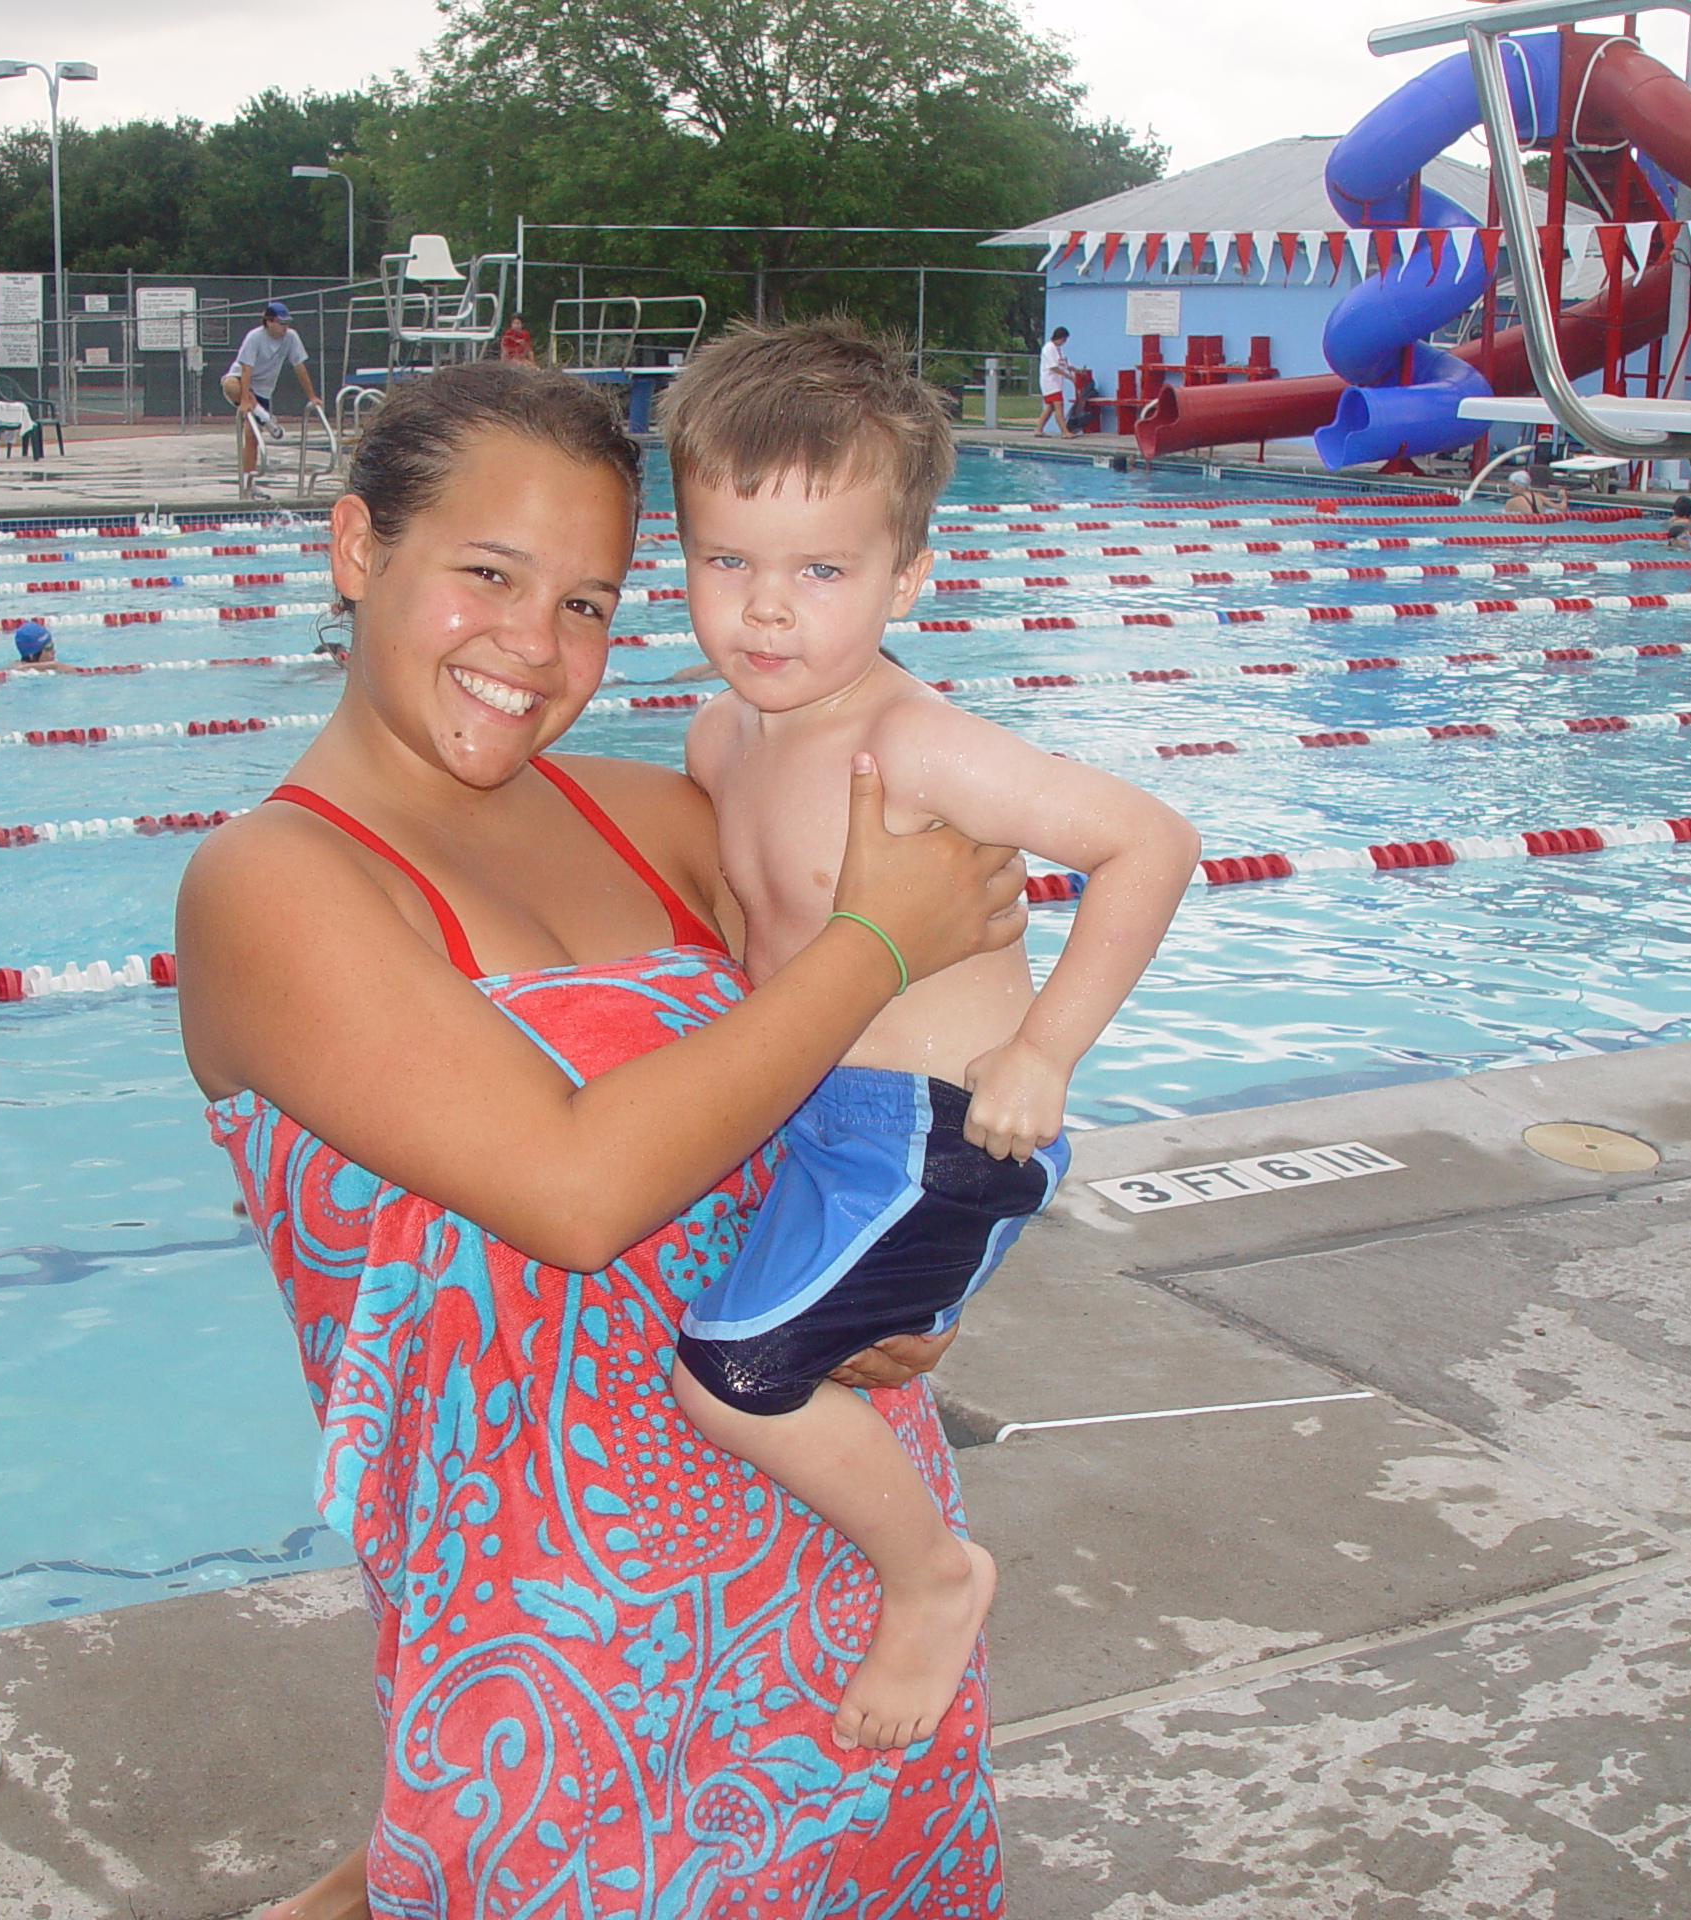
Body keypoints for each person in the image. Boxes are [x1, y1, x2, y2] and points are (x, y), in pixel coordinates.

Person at [175, 360, 1029, 1913]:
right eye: (486, 576)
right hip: (549, 1653)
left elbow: (916, 1029)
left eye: (587, 601)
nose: (534, 646)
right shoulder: (272, 885)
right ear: (360, 551)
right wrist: (870, 942)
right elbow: (575, 1189)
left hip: (841, 1565)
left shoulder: (655, 814)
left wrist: (914, 1269)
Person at [660, 319, 1198, 1751]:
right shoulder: (723, 742)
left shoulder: (915, 745)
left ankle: (933, 1581)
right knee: (752, 1352)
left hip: (942, 1135)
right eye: (730, 562)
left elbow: (1150, 842)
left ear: (910, 576)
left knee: (733, 1374)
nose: (767, 613)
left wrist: (1045, 1055)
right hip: (827, 1125)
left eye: (821, 572)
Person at [222, 301, 325, 497]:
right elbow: (246, 369)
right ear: (269, 322)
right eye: (281, 323)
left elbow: (300, 367)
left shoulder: (291, 338)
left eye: (287, 323)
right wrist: (245, 401)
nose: (285, 328)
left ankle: (249, 484)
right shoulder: (254, 337)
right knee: (229, 384)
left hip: (263, 391)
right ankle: (265, 417)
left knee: (252, 439)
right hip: (241, 381)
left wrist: (312, 396)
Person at [1036, 326, 1079, 436]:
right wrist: (1068, 376)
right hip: (1050, 382)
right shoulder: (1049, 348)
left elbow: (1064, 364)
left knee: (1051, 407)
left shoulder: (1058, 349)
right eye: (1064, 339)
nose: (1064, 342)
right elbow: (1053, 367)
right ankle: (1064, 431)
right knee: (1059, 405)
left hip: (1056, 382)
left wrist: (1077, 370)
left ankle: (1038, 429)